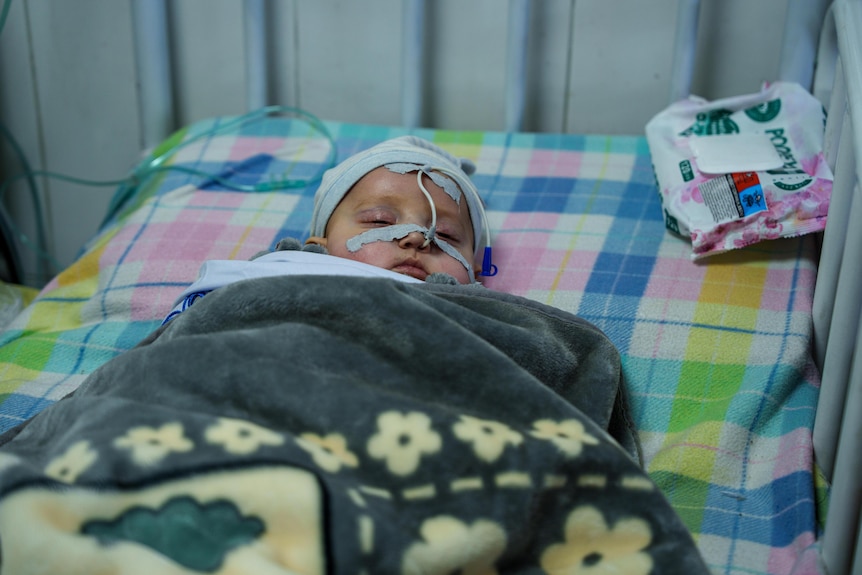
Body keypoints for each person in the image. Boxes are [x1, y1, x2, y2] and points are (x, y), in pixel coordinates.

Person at [163, 136, 496, 323]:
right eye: (380, 220)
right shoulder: (274, 275)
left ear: (477, 268)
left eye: (447, 235)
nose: (416, 238)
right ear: (318, 246)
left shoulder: (488, 319)